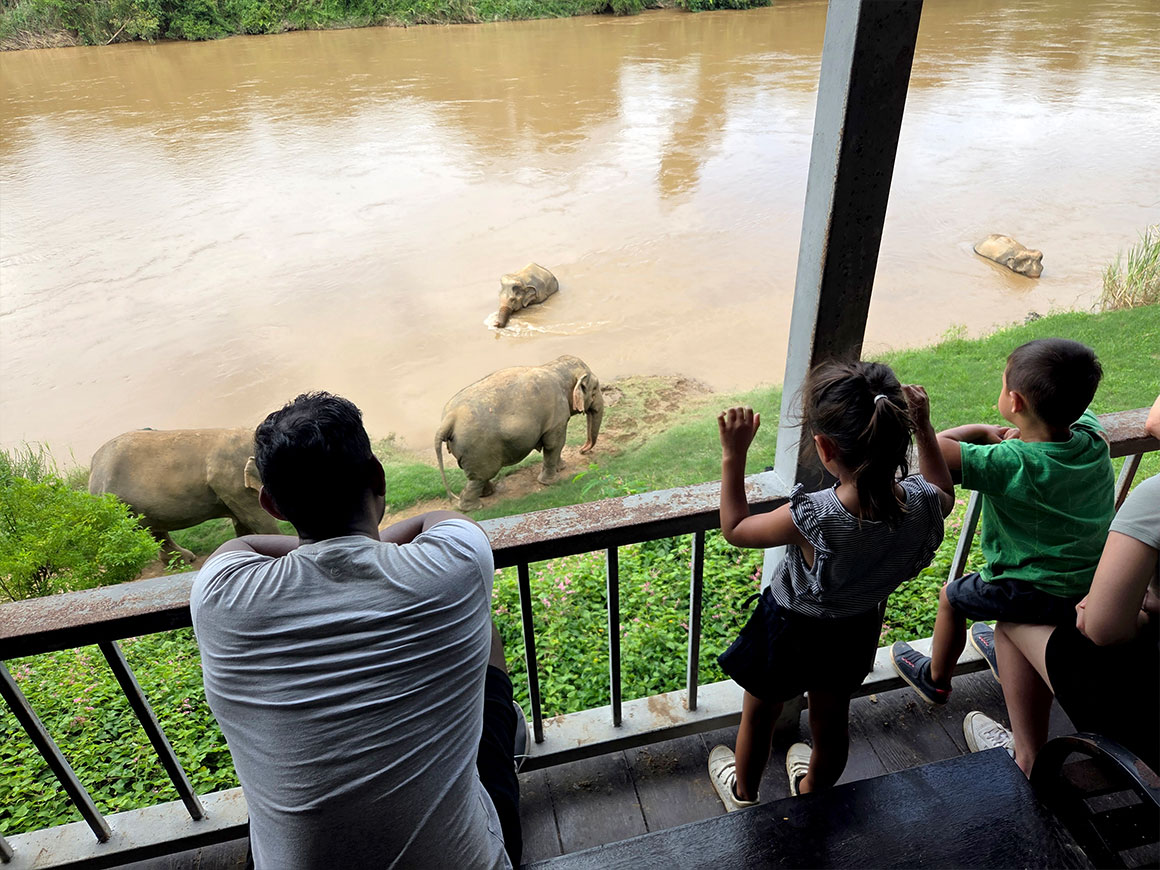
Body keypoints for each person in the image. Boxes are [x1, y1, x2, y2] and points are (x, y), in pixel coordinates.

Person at [190, 392, 522, 869]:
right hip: (469, 860)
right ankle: (507, 733)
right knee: (482, 636)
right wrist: (365, 544)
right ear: (378, 478)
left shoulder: (220, 592)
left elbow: (240, 542)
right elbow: (440, 520)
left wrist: (325, 547)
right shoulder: (458, 563)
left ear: (271, 503)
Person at [707, 361, 954, 808]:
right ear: (900, 435)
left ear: (823, 447)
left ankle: (743, 794)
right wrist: (925, 426)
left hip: (790, 628)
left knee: (759, 712)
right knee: (831, 721)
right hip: (855, 628)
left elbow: (737, 527)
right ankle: (812, 794)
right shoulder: (922, 504)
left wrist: (734, 454)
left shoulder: (816, 517)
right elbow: (944, 489)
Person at [891, 338, 1114, 706]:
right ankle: (1011, 652)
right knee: (1002, 606)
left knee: (951, 598)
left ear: (1015, 402)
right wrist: (1021, 433)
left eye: (1003, 384)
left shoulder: (1008, 462)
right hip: (1089, 585)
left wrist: (941, 424)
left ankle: (936, 679)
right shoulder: (1091, 438)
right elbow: (1061, 419)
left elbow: (934, 451)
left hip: (1034, 591)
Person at [964, 398, 1160, 775]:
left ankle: (1028, 760)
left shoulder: (1154, 499)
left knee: (1011, 621)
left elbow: (1103, 629)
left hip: (1148, 718)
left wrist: (1141, 612)